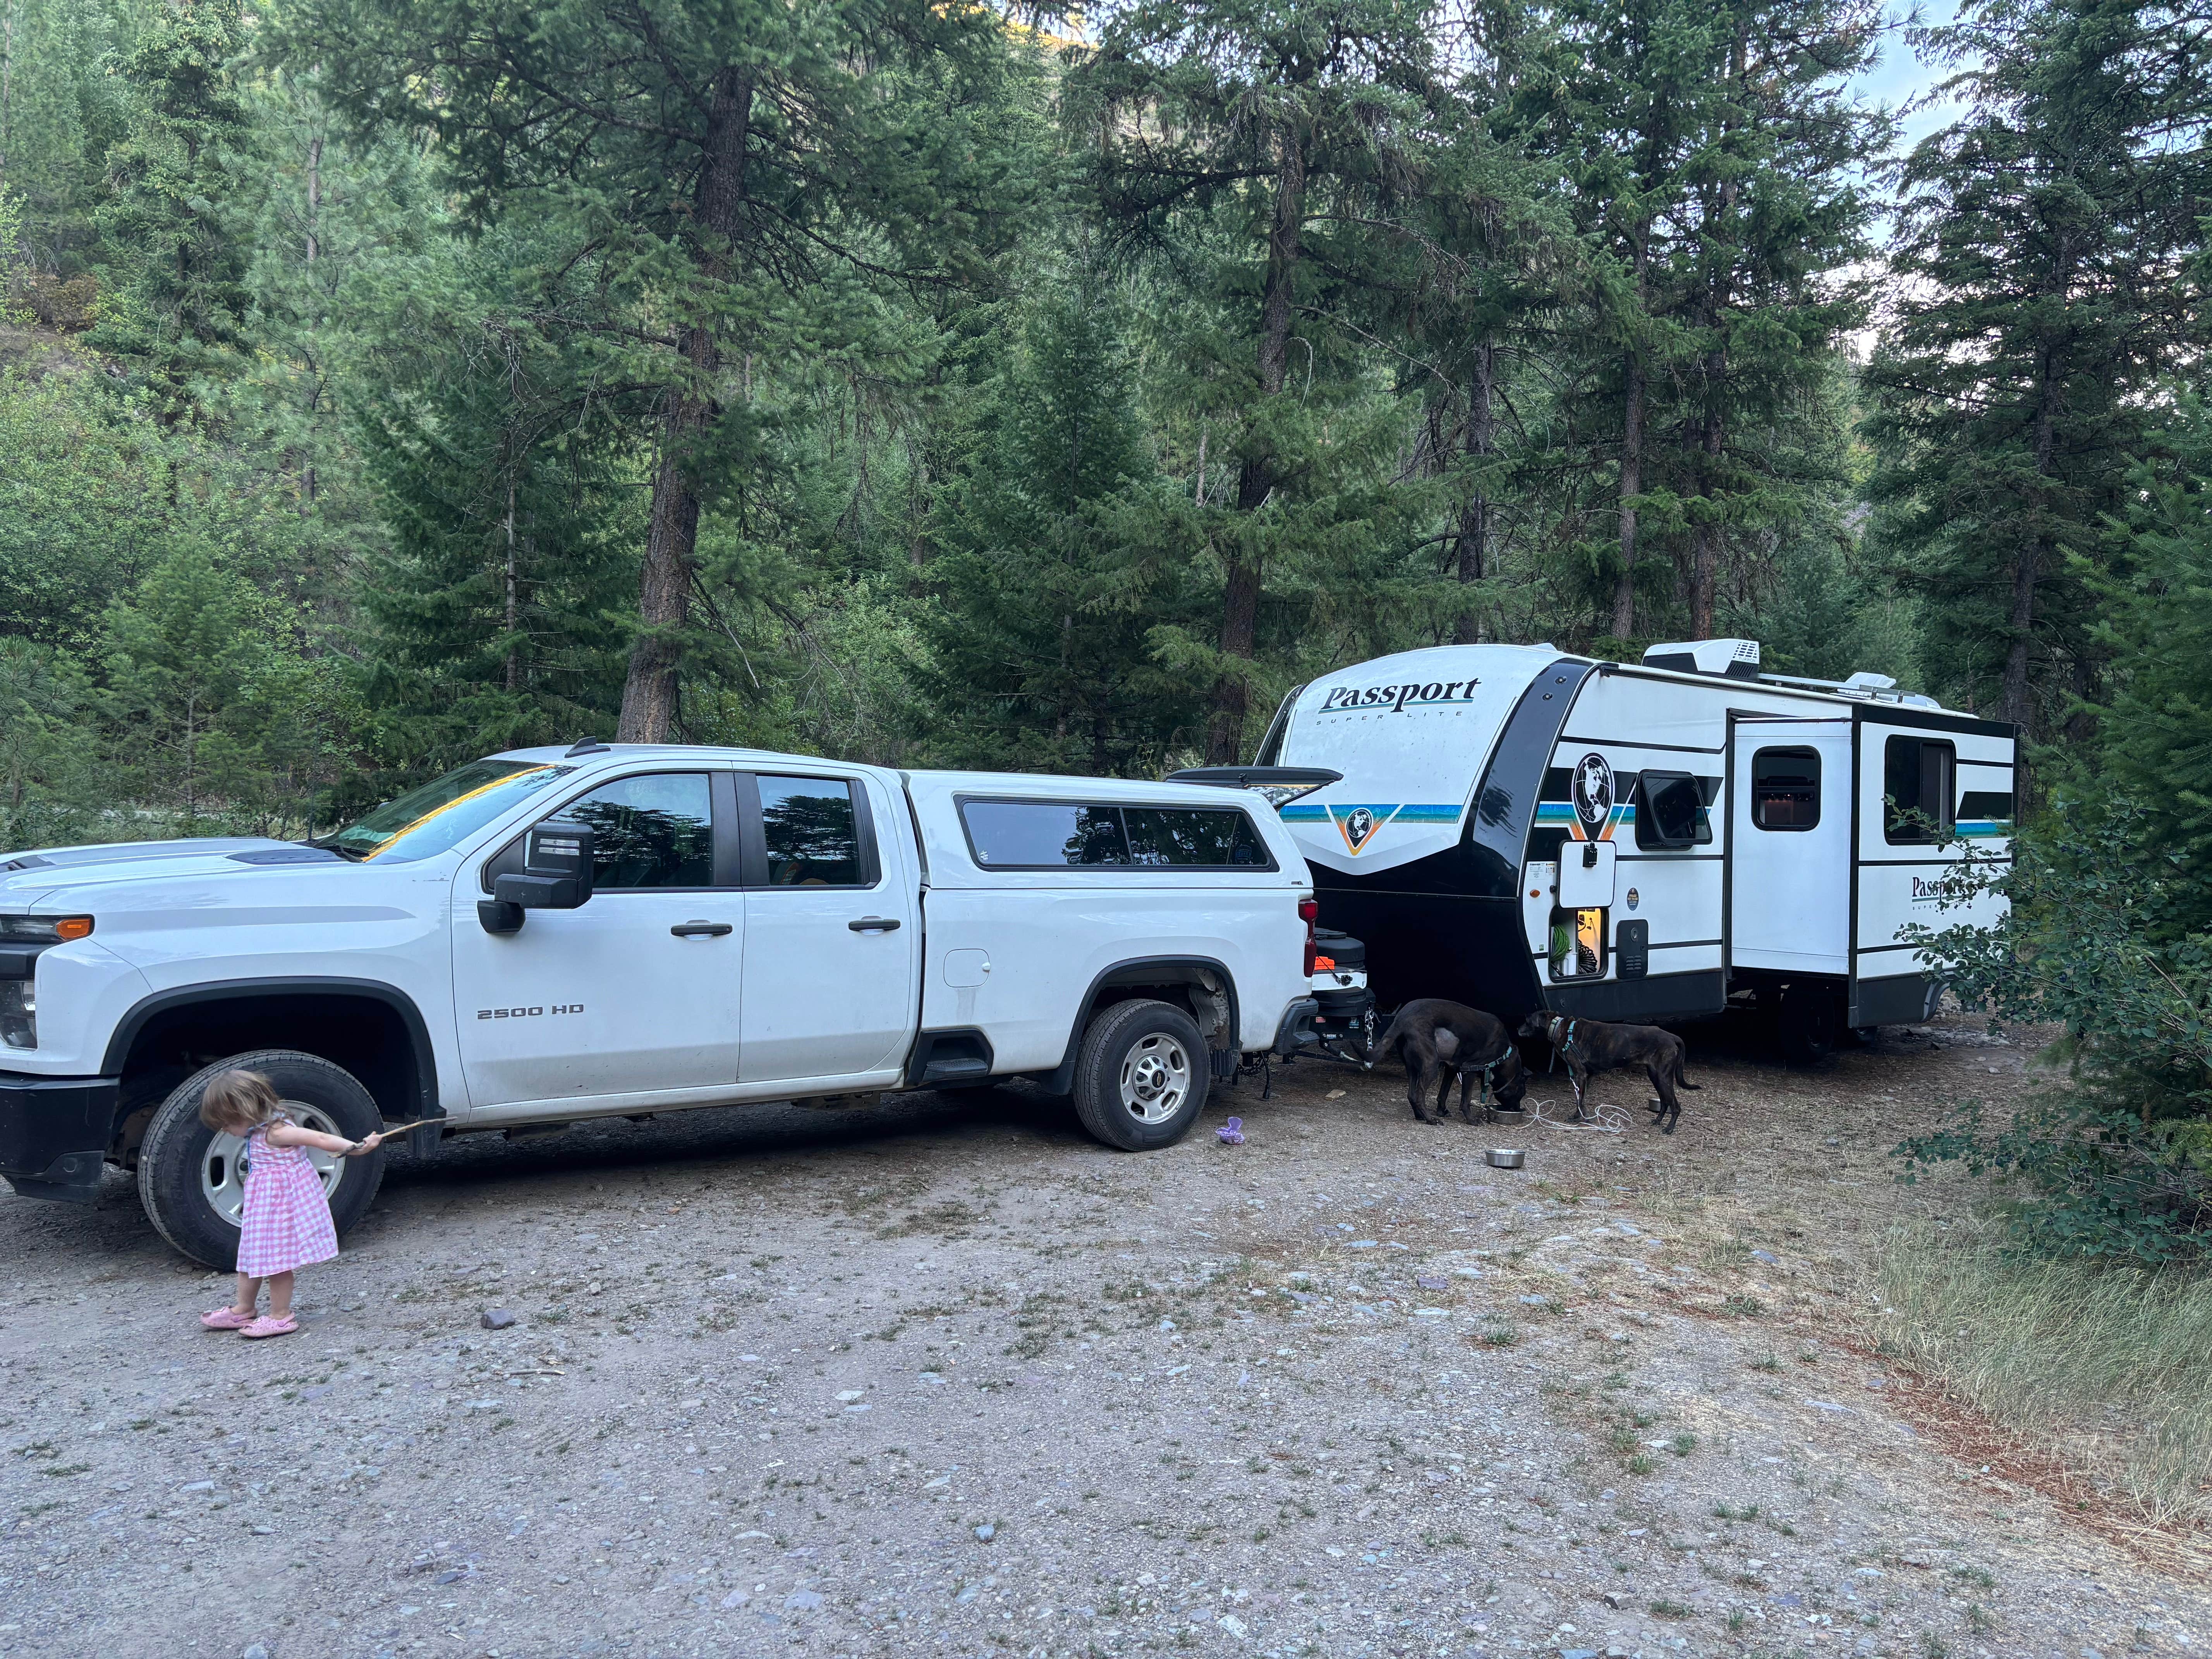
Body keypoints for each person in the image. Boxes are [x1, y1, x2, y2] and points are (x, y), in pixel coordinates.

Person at [195, 1069, 383, 1340]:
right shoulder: (257, 1131)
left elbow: (318, 1139)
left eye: (226, 1123)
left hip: (281, 1210)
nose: (224, 1130)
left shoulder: (277, 1133)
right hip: (263, 1210)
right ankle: (244, 1308)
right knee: (250, 1257)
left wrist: (356, 1147)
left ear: (245, 1111)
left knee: (277, 1263)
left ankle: (281, 1316)